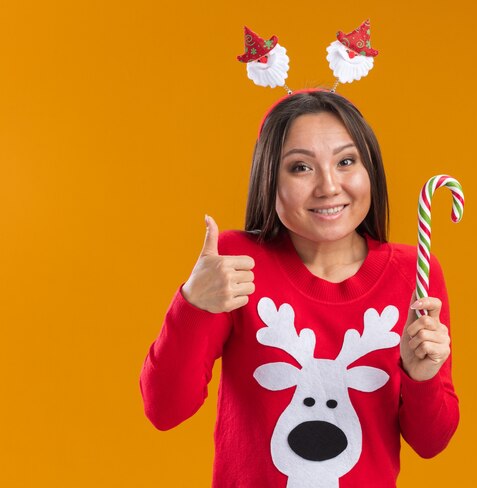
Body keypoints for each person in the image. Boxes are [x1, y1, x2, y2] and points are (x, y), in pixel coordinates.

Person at [140, 90, 459, 487]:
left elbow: (432, 440)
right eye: (300, 168)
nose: (328, 187)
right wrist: (192, 304)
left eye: (346, 161)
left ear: (370, 169)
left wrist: (422, 374)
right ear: (269, 178)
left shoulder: (414, 273)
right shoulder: (235, 263)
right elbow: (164, 409)